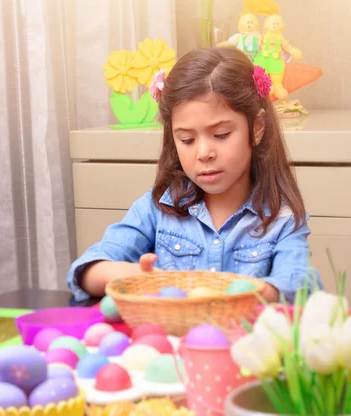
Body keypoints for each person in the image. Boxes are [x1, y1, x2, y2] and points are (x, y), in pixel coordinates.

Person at [67, 47, 321, 304]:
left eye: (221, 135)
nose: (204, 153)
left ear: (256, 128)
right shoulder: (156, 209)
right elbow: (85, 270)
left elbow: (300, 285)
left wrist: (258, 293)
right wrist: (134, 275)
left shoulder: (282, 219)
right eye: (187, 139)